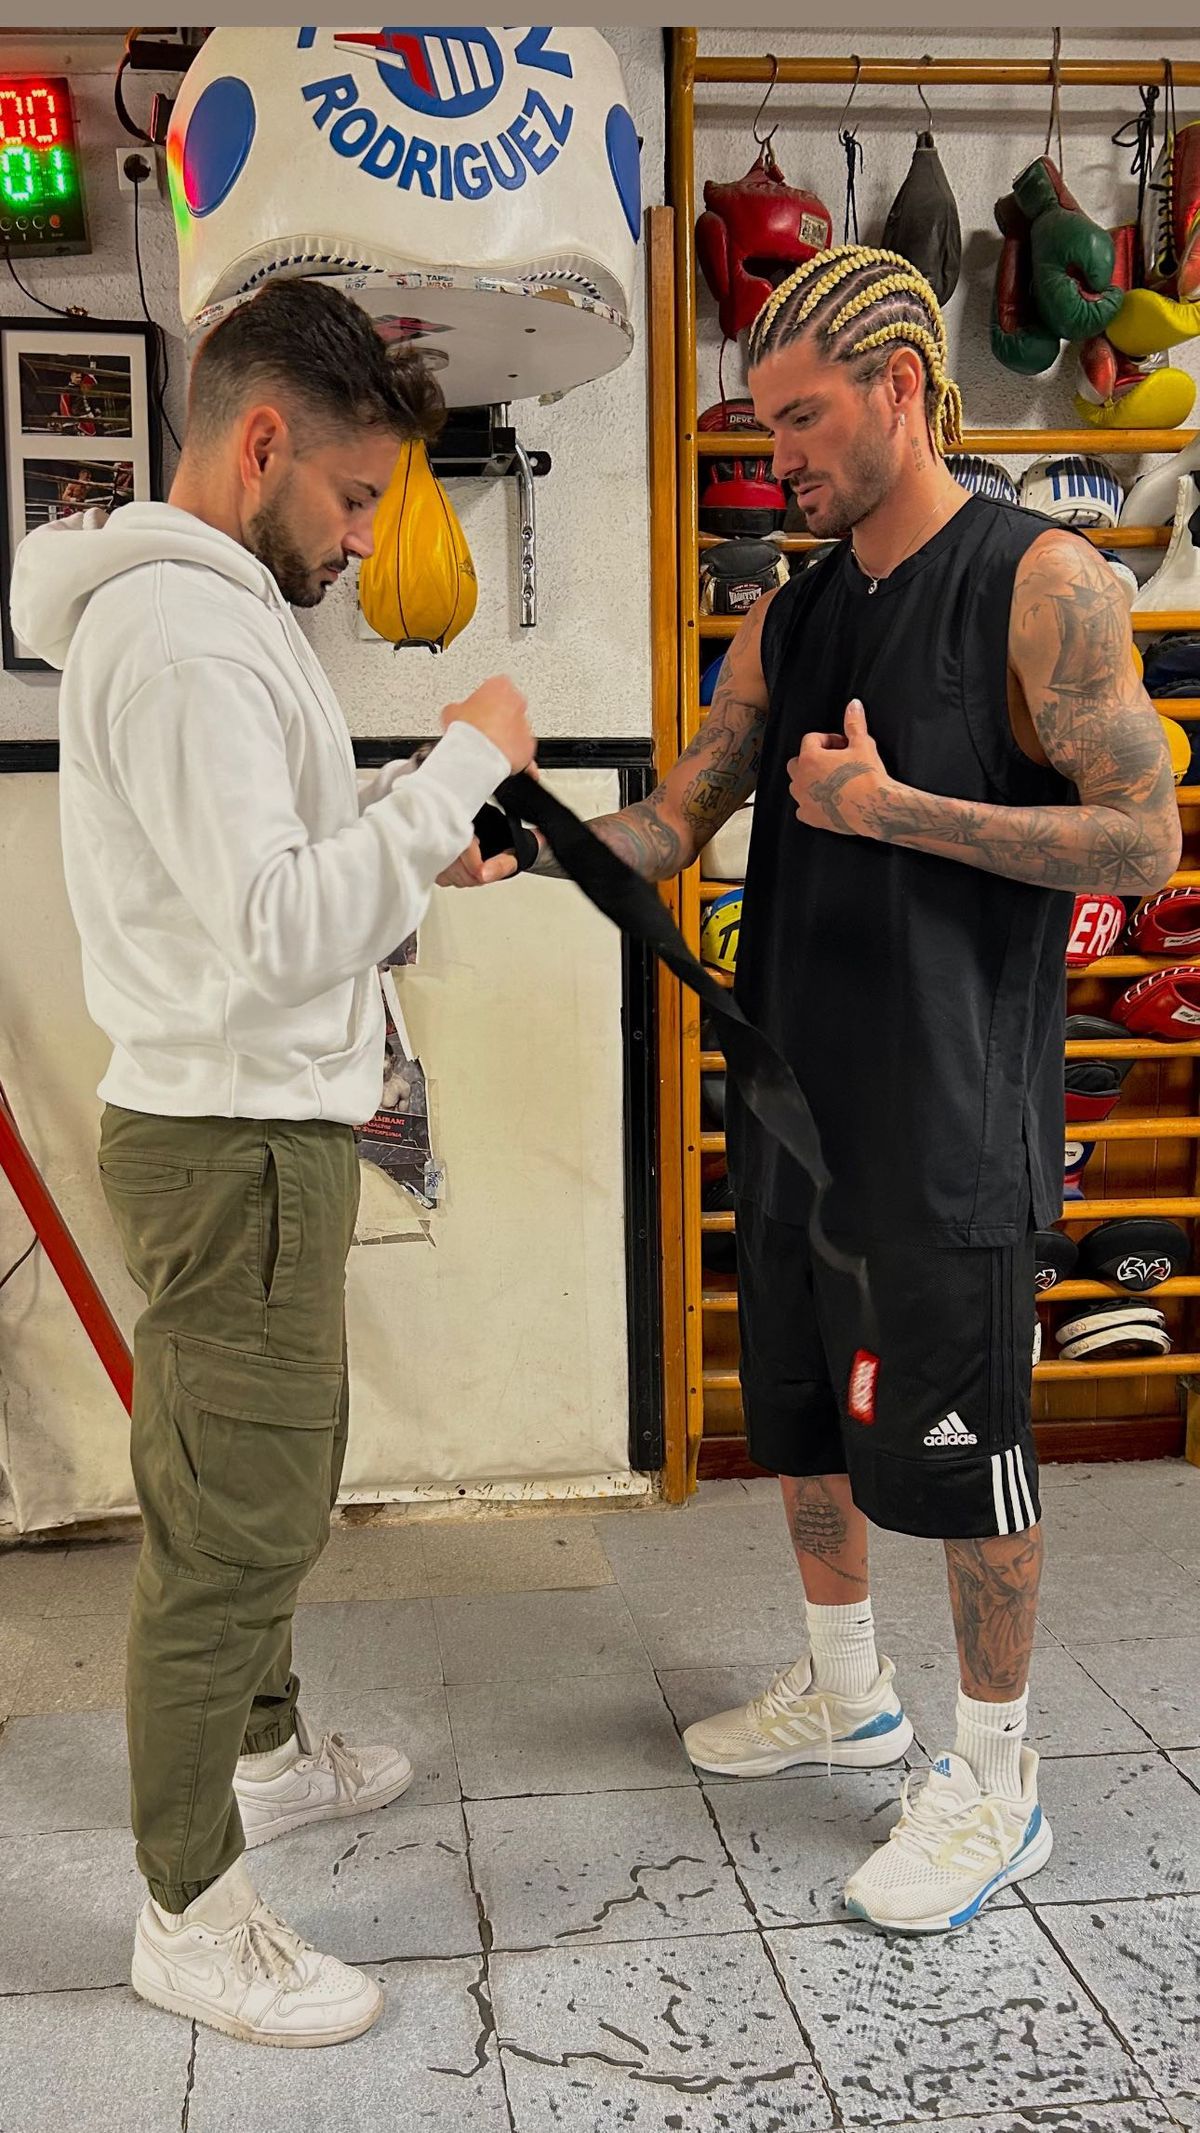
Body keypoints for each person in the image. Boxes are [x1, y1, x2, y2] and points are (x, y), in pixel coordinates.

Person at [461, 245, 1181, 1934]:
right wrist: (523, 843)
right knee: (800, 1417)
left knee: (963, 1457)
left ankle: (996, 1784)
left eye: (801, 418)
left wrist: (897, 814)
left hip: (948, 1122)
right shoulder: (793, 607)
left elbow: (1144, 836)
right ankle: (846, 1693)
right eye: (762, 420)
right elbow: (688, 807)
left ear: (903, 392)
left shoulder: (1045, 579)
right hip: (792, 1093)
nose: (772, 452)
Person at [10, 276, 535, 2044]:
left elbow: (285, 866)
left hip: (265, 1126)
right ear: (258, 443)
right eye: (356, 497)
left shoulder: (217, 622)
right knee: (227, 1530)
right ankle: (187, 1906)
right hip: (232, 1135)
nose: (367, 538)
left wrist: (409, 832)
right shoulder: (180, 634)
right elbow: (270, 926)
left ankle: (263, 1749)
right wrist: (460, 763)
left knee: (275, 1472)